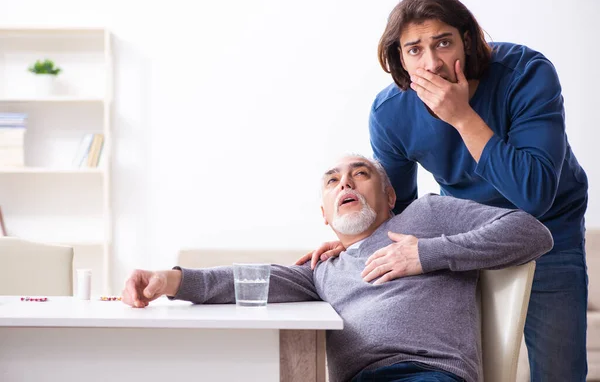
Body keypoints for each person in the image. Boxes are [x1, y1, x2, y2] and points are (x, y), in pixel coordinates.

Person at [297, 0, 589, 381]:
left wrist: (462, 117)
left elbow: (535, 195)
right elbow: (396, 208)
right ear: (399, 57)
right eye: (415, 50)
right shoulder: (391, 113)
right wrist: (357, 240)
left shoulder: (526, 73)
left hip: (552, 228)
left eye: (443, 43)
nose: (431, 63)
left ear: (467, 41)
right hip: (466, 232)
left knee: (560, 370)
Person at [123, 155, 552, 382]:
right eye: (333, 180)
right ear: (325, 215)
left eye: (359, 174)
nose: (344, 182)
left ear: (388, 197)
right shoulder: (323, 268)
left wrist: (427, 254)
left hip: (427, 375)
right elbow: (249, 278)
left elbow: (531, 233)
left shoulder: (427, 216)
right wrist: (171, 280)